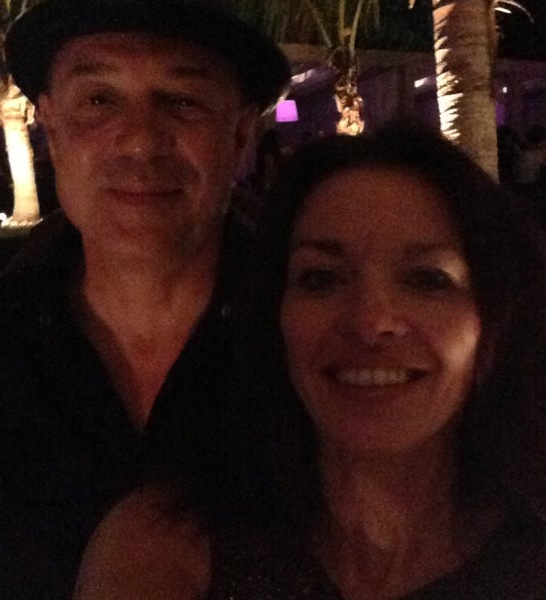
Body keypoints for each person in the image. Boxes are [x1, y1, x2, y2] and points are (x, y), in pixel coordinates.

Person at [73, 123, 546, 599]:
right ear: (274, 313)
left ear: (495, 314)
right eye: (321, 278)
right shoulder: (166, 548)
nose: (370, 322)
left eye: (426, 279)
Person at [0, 1, 290, 598]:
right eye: (100, 99)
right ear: (52, 128)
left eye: (184, 101)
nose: (140, 142)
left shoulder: (317, 351)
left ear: (240, 136)